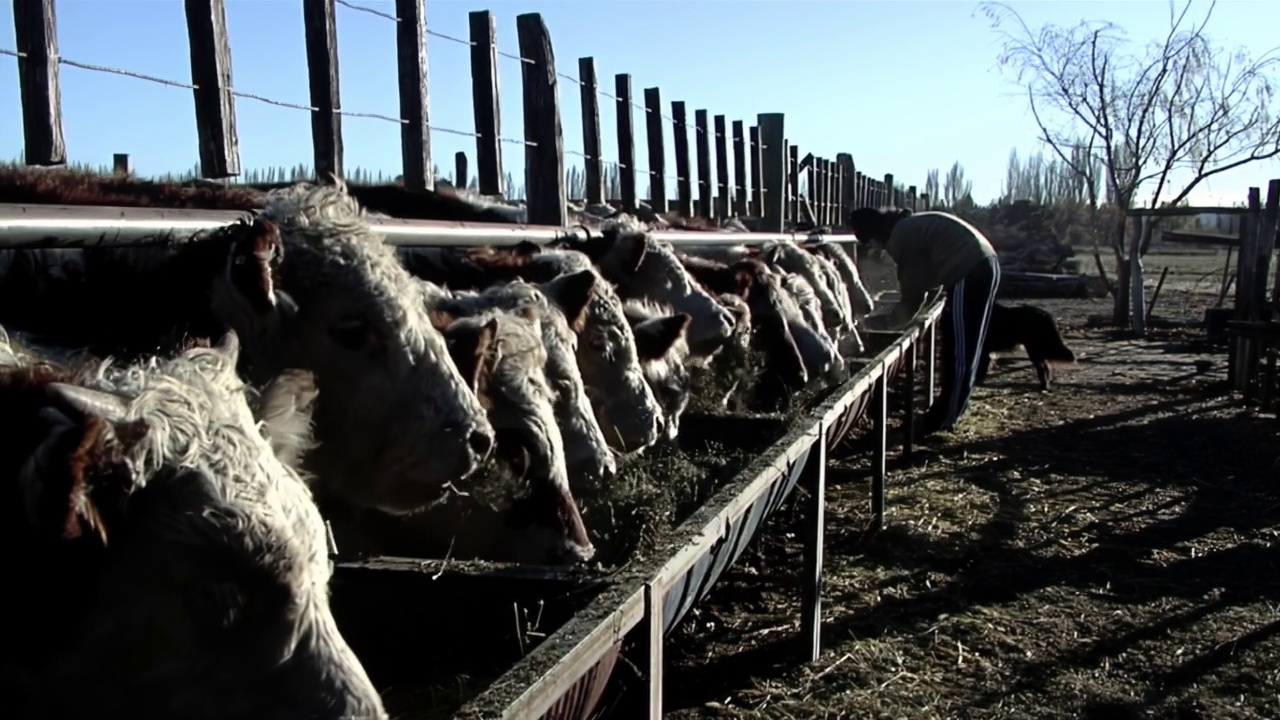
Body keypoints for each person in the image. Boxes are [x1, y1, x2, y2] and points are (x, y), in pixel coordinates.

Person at [848, 206, 1001, 436]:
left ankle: (943, 419)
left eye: (869, 243)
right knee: (963, 343)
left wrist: (887, 323)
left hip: (968, 270)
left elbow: (914, 291)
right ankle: (950, 411)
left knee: (959, 349)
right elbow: (925, 281)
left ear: (874, 235)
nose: (873, 249)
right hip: (981, 263)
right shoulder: (908, 226)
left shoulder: (901, 237)